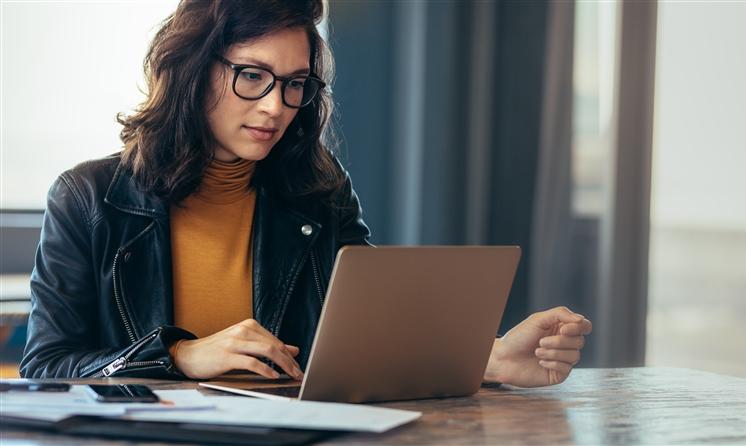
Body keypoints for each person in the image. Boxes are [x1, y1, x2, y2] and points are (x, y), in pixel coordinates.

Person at [19, 0, 592, 388]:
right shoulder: (89, 198)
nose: (275, 106)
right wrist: (177, 357)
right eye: (252, 75)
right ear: (192, 69)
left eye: (295, 84)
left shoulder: (318, 189)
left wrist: (487, 358)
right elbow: (46, 368)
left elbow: (368, 338)